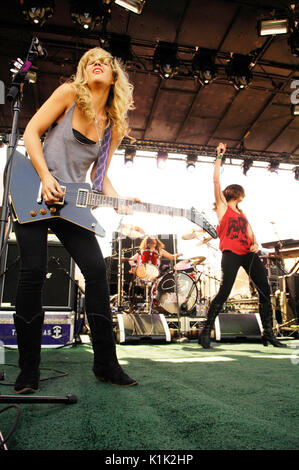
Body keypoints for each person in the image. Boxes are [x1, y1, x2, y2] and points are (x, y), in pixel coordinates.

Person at [12, 47, 139, 394]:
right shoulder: (69, 94)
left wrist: (118, 202)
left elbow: (100, 179)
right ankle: (28, 372)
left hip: (72, 203)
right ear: (85, 71)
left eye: (105, 61)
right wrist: (45, 177)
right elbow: (30, 133)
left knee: (97, 273)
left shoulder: (112, 126)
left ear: (114, 76)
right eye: (89, 60)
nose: (97, 62)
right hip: (34, 192)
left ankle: (106, 365)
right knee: (33, 273)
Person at [198, 142, 286, 349]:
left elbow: (250, 233)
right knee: (224, 291)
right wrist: (219, 156)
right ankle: (205, 333)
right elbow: (215, 180)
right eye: (241, 194)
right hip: (231, 253)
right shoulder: (222, 208)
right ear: (236, 194)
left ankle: (269, 334)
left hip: (248, 253)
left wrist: (255, 243)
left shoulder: (242, 213)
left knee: (264, 290)